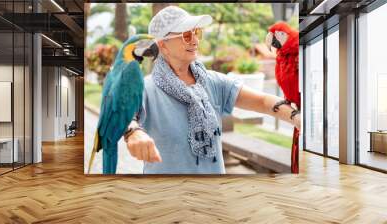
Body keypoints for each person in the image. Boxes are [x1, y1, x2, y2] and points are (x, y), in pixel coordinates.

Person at [123, 6, 301, 174]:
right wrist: (133, 132)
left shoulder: (213, 82)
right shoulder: (144, 88)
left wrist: (299, 119)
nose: (195, 40)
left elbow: (263, 102)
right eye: (186, 35)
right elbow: (123, 116)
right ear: (162, 44)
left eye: (196, 32)